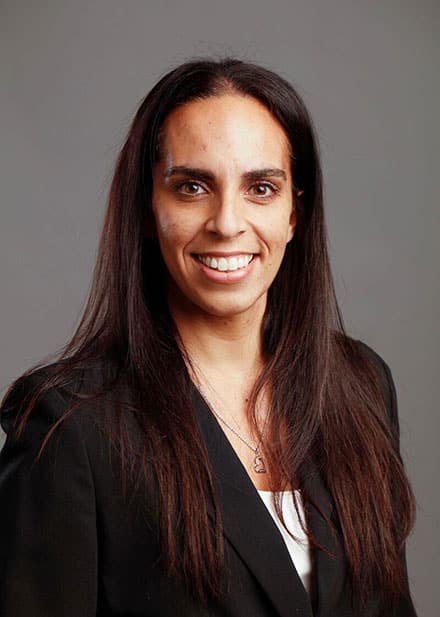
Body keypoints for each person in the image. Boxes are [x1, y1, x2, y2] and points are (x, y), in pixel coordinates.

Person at [0, 57, 417, 616]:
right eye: (192, 186)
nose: (227, 222)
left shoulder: (362, 384)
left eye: (261, 187)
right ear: (149, 208)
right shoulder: (68, 425)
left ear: (297, 211)